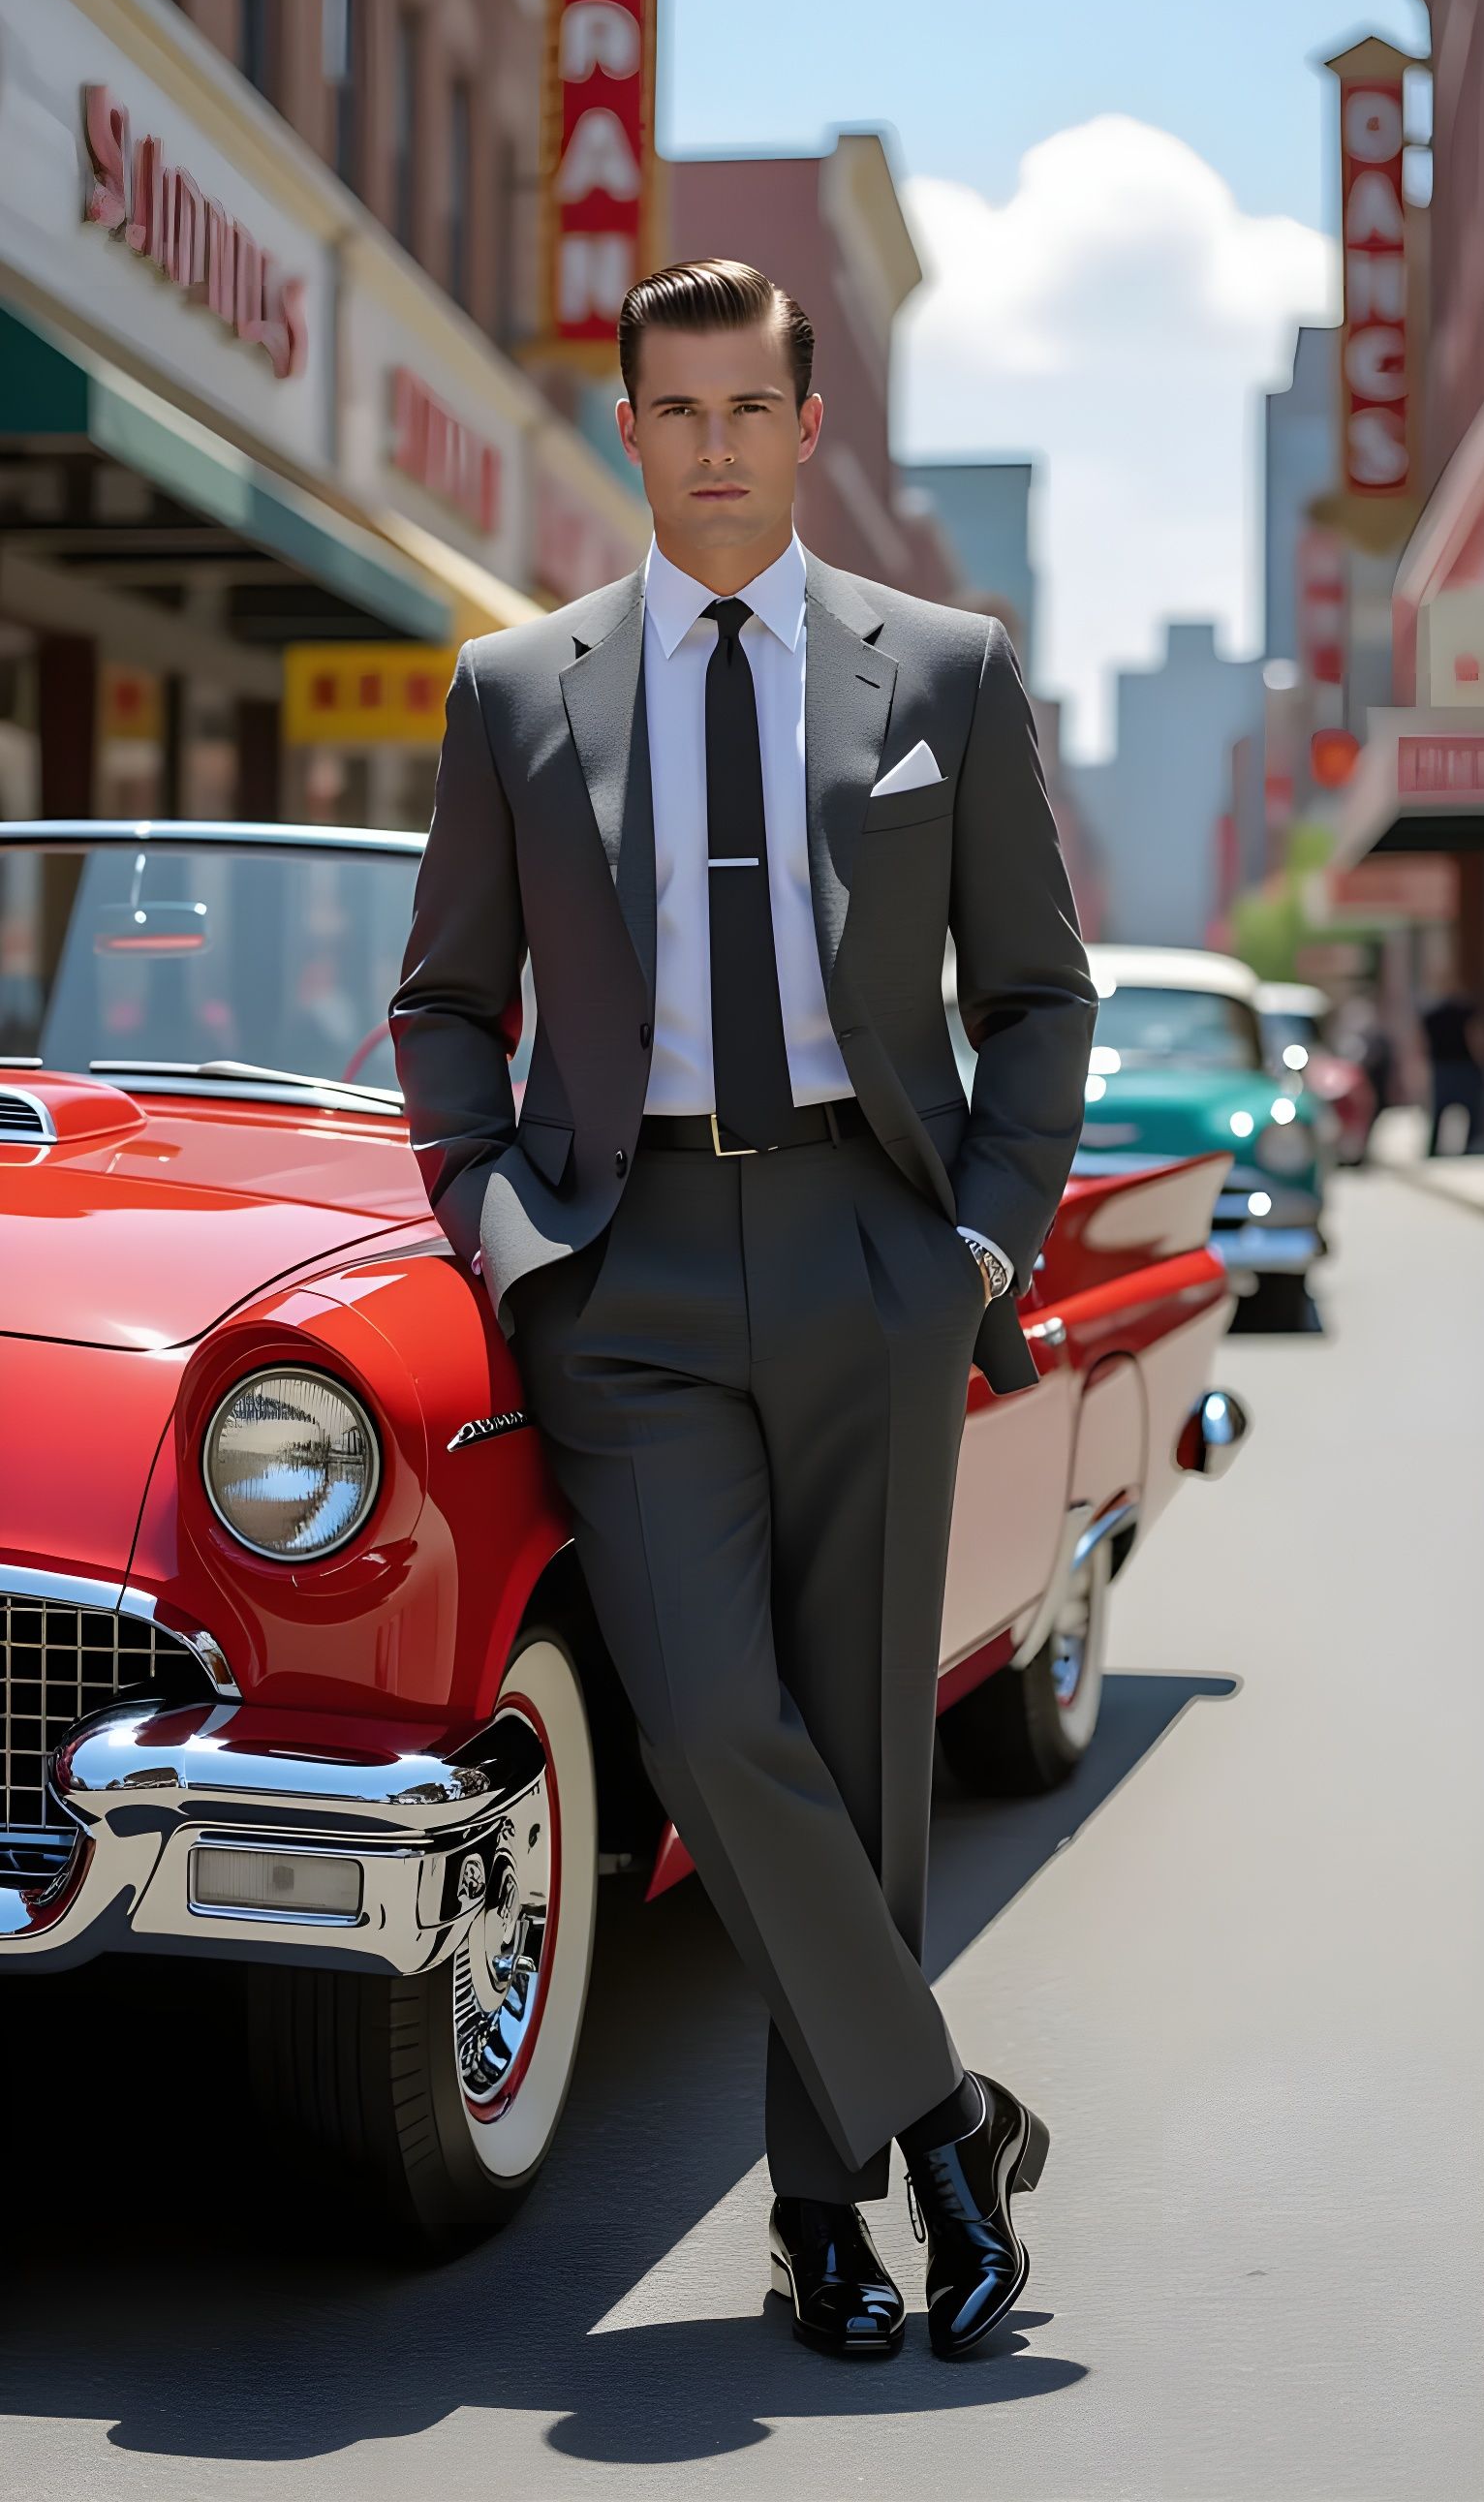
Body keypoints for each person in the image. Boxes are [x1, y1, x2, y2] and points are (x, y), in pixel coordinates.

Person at [388, 260, 1098, 2362]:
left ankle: (826, 2222)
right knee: (710, 1725)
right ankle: (953, 2129)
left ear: (805, 427)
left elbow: (1040, 993)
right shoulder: (518, 691)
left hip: (877, 1251)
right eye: (672, 409)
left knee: (861, 1769)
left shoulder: (947, 675)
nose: (711, 445)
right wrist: (509, 1231)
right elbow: (445, 1002)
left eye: (746, 409)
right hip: (632, 1277)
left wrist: (975, 1240)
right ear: (628, 429)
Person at [1420, 976, 1484, 1156]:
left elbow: (1422, 1043)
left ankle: (1433, 1150)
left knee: (1438, 1112)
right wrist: (1481, 1061)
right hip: (1464, 1066)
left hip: (1441, 1068)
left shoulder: (1431, 1015)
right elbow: (1474, 1038)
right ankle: (1470, 1147)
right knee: (1471, 1111)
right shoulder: (1466, 1012)